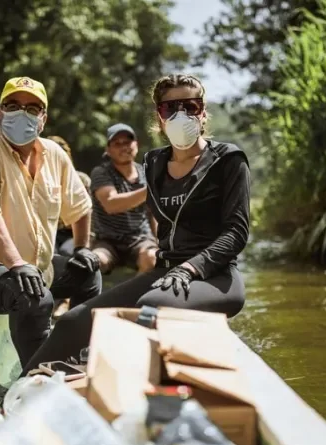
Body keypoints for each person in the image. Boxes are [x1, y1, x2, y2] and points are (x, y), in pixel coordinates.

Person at [19, 73, 251, 373]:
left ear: (202, 111)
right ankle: (17, 395)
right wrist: (164, 259)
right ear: (160, 116)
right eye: (171, 108)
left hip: (215, 278)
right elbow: (160, 220)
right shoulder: (154, 163)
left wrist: (190, 267)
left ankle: (108, 379)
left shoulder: (229, 160)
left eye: (190, 107)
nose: (181, 115)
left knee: (148, 306)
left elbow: (237, 231)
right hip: (166, 273)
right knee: (73, 323)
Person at [0, 76, 102, 368]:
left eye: (32, 108)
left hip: (30, 268)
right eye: (12, 105)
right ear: (0, 112)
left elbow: (81, 207)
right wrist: (16, 264)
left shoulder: (55, 154)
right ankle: (37, 376)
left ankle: (76, 354)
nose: (21, 113)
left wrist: (82, 248)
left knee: (88, 273)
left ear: (43, 119)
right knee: (33, 297)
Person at [89, 123, 159, 274]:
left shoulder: (146, 173)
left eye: (127, 142)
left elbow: (152, 212)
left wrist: (161, 240)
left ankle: (133, 298)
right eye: (117, 143)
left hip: (140, 239)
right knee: (94, 261)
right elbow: (111, 204)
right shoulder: (101, 172)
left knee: (152, 257)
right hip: (107, 241)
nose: (124, 147)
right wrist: (151, 190)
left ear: (136, 144)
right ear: (108, 150)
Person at [47, 135, 92, 257]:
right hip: (49, 233)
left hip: (73, 233)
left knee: (68, 253)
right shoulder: (40, 182)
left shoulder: (81, 180)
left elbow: (84, 213)